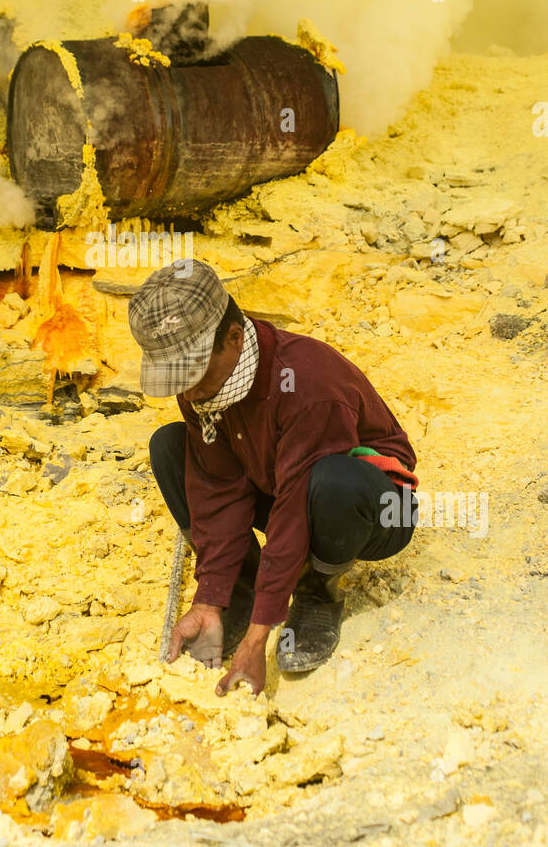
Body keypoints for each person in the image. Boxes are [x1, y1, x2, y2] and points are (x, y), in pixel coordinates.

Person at [128, 259, 418, 697]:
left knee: (332, 479)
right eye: (177, 379)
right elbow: (216, 490)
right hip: (283, 482)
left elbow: (295, 511)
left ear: (233, 337)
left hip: (368, 506)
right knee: (170, 448)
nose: (186, 392)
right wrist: (211, 595)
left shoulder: (305, 384)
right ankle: (239, 590)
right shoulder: (207, 385)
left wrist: (256, 640)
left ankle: (319, 593)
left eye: (192, 374)